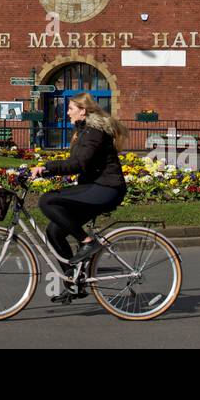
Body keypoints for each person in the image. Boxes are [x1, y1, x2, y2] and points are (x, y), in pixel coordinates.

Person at [29, 93, 127, 276]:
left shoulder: (94, 133)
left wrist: (46, 168)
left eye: (71, 109)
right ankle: (73, 281)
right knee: (54, 232)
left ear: (82, 111)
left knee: (47, 201)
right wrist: (45, 170)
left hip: (107, 188)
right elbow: (77, 161)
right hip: (95, 186)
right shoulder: (84, 131)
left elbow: (79, 163)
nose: (67, 113)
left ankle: (88, 242)